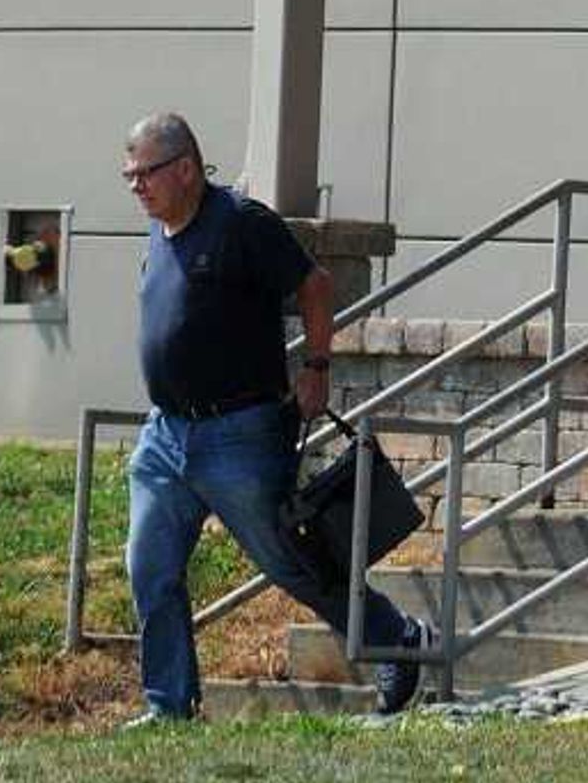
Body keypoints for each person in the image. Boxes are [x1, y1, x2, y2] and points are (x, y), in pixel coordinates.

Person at [120, 111, 426, 724]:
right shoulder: (160, 233)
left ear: (185, 168)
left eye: (144, 173)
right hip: (166, 435)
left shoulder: (240, 223)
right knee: (148, 567)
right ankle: (169, 706)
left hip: (238, 432)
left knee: (291, 562)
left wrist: (316, 365)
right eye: (127, 175)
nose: (135, 186)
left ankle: (398, 639)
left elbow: (313, 285)